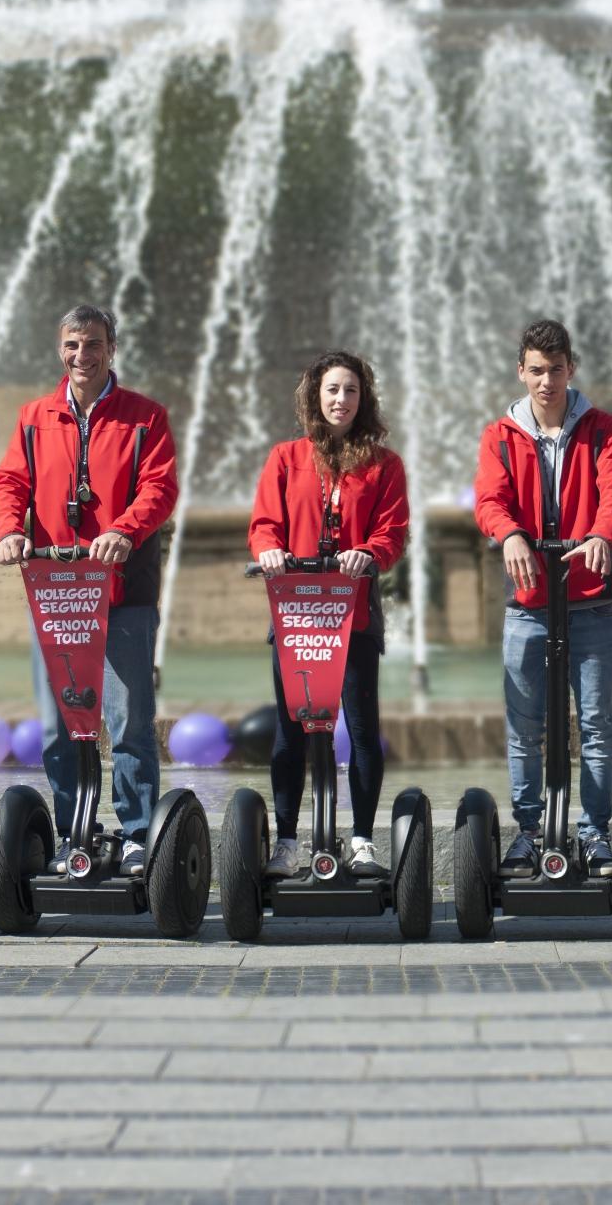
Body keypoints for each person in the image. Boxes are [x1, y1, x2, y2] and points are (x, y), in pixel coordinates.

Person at [0, 304, 178, 876]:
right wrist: (8, 531)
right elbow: (10, 483)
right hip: (57, 594)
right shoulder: (33, 417)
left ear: (111, 348)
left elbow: (160, 487)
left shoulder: (144, 417)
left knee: (127, 723)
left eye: (92, 344)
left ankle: (138, 832)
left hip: (123, 592)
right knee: (57, 726)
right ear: (60, 350)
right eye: (72, 345)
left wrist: (125, 530)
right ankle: (77, 828)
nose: (82, 355)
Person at [473, 319, 612, 878]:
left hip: (589, 602)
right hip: (529, 605)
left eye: (556, 370)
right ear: (521, 371)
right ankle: (529, 832)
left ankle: (593, 835)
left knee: (595, 725)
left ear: (572, 368)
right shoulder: (499, 436)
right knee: (525, 727)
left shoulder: (602, 428)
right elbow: (489, 499)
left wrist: (599, 535)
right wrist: (510, 533)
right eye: (536, 371)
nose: (546, 382)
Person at [248, 351, 409, 878]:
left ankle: (361, 840)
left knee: (361, 729)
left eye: (352, 391)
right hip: (295, 614)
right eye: (333, 390)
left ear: (365, 400)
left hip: (354, 615)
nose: (342, 400)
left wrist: (371, 553)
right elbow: (265, 523)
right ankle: (289, 841)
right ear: (315, 395)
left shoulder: (384, 464)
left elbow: (393, 531)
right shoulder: (286, 457)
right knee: (290, 730)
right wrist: (270, 548)